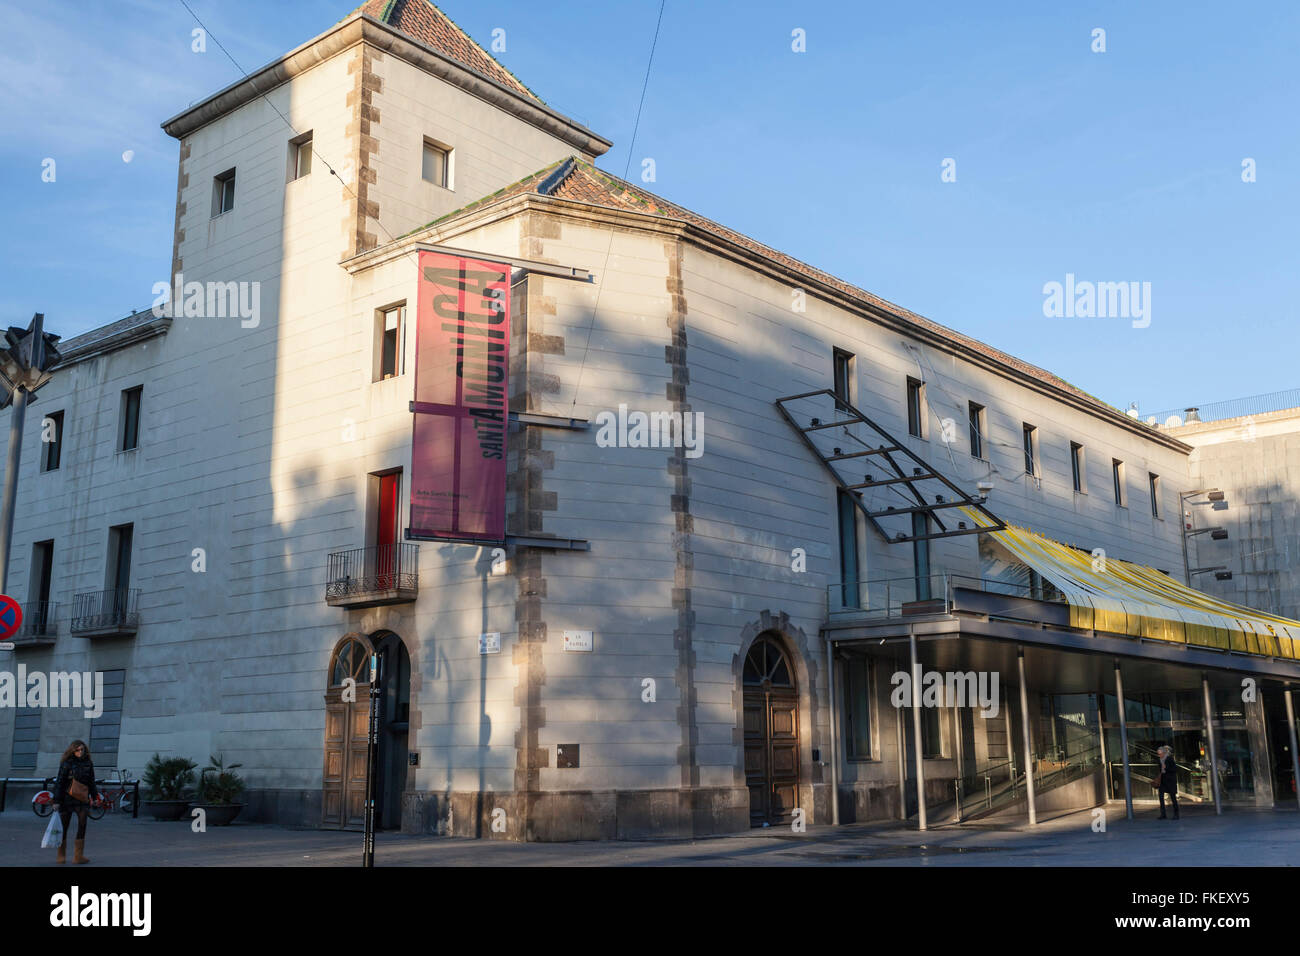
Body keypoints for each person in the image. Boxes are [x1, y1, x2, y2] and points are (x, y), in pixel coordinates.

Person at [53, 739, 98, 864]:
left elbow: (91, 782)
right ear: (72, 750)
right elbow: (60, 782)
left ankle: (78, 856)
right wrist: (56, 801)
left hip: (82, 799)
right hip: (67, 799)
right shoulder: (67, 763)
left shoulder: (88, 763)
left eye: (82, 749)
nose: (80, 752)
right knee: (64, 827)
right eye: (77, 750)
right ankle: (61, 855)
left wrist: (95, 798)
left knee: (82, 825)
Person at [1156, 744, 1180, 820]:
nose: (1159, 755)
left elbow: (1175, 770)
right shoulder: (1159, 760)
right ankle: (1163, 814)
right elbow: (1160, 771)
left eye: (1160, 754)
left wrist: (1166, 768)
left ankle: (1176, 814)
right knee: (1161, 797)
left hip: (1170, 781)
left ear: (1164, 753)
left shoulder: (1169, 759)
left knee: (1173, 798)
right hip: (1163, 781)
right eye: (1158, 754)